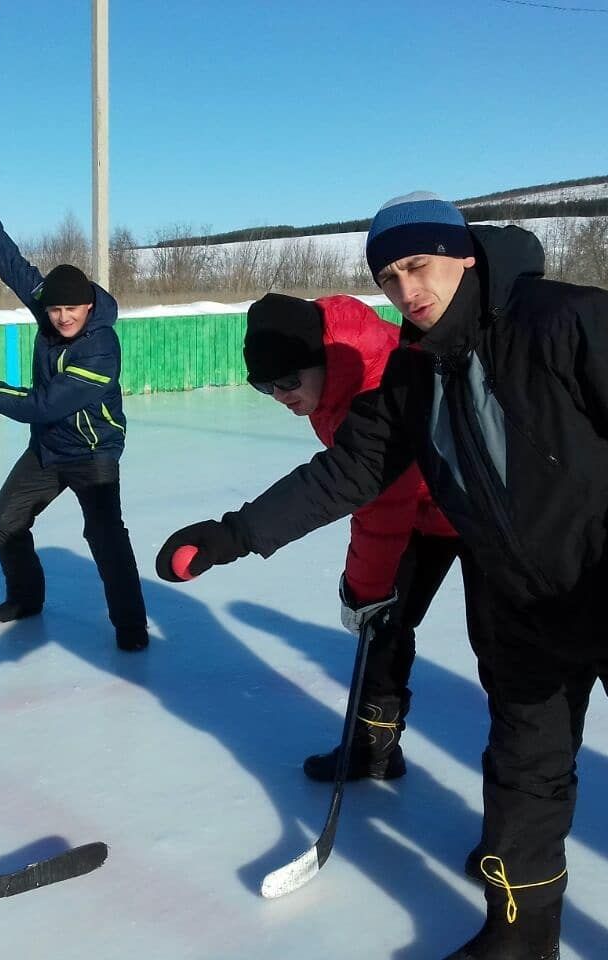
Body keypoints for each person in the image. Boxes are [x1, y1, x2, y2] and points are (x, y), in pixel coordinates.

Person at [156, 192, 606, 959]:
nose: (407, 291)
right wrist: (235, 535)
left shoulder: (562, 321)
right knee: (525, 772)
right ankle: (521, 936)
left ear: (464, 254)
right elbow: (350, 470)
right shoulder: (412, 370)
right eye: (390, 276)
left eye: (419, 266)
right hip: (521, 606)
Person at [242, 291, 489, 782]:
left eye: (288, 381)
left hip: (481, 511)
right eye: (264, 387)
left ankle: (518, 815)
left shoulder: (373, 376)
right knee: (384, 627)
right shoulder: (325, 385)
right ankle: (373, 746)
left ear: (320, 359)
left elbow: (380, 501)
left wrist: (364, 591)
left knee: (503, 648)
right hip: (424, 508)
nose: (281, 396)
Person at [0, 174, 148, 651]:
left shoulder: (100, 349)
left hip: (93, 453)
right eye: (55, 309)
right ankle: (26, 598)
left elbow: (45, 405)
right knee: (4, 520)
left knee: (104, 536)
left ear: (89, 304)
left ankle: (131, 625)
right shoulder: (50, 310)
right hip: (49, 448)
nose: (63, 318)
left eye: (72, 308)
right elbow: (11, 263)